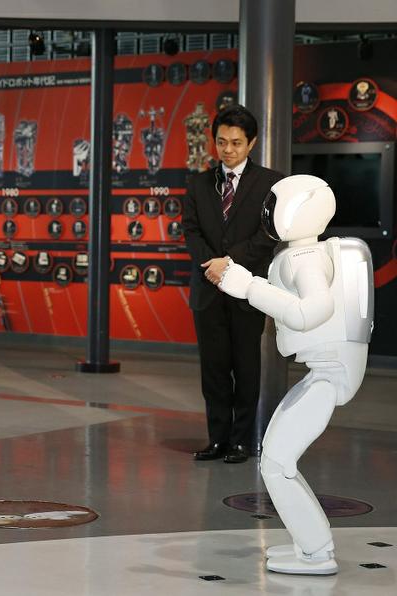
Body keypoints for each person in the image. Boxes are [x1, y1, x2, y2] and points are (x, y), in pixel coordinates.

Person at [219, 175, 372, 575]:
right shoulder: (306, 253)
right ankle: (312, 548)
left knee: (276, 463)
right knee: (277, 460)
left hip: (327, 374)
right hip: (323, 371)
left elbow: (311, 311)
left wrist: (247, 286)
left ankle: (317, 555)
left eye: (273, 205)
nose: (267, 213)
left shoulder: (304, 258)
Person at [182, 104, 283, 464]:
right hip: (207, 290)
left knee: (246, 367)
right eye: (222, 142)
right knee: (213, 368)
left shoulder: (271, 182)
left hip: (247, 292)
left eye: (236, 143)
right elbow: (190, 231)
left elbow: (268, 235)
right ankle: (217, 440)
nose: (228, 150)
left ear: (251, 142)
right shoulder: (197, 183)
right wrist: (212, 264)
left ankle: (241, 441)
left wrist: (229, 262)